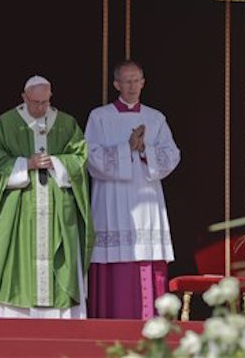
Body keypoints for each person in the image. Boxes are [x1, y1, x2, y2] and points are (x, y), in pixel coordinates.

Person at [0, 75, 94, 318]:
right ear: (24, 97)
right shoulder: (6, 124)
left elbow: (80, 158)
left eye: (45, 102)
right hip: (19, 208)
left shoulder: (66, 123)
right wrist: (25, 164)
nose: (41, 108)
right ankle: (14, 314)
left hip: (58, 207)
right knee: (14, 259)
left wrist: (58, 162)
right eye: (35, 102)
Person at [84, 60, 180, 319]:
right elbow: (90, 156)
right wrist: (126, 147)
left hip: (147, 196)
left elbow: (172, 155)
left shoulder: (155, 117)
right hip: (111, 198)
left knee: (145, 253)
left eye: (136, 80)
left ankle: (150, 320)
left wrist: (145, 150)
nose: (132, 86)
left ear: (143, 82)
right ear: (116, 84)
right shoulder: (99, 117)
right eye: (127, 81)